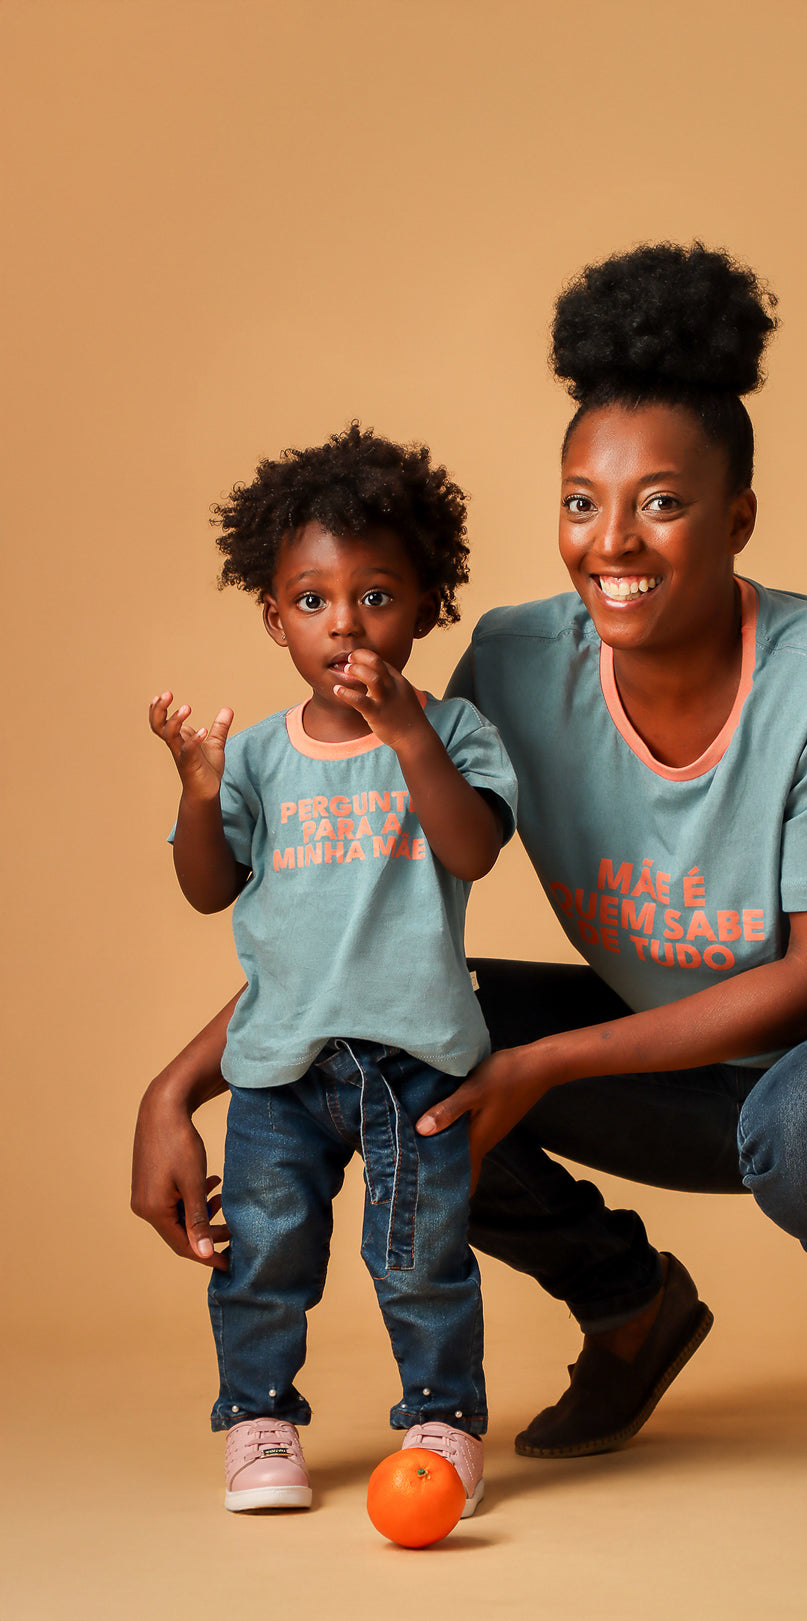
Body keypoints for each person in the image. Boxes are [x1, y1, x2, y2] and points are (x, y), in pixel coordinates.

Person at [134, 245, 807, 1483]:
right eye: (578, 502)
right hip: (675, 1058)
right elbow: (355, 934)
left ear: (737, 518)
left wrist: (547, 1062)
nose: (612, 541)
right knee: (402, 1056)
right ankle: (631, 1307)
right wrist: (176, 1089)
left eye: (660, 503)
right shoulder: (512, 668)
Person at [147, 424, 517, 1515]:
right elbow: (209, 887)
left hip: (418, 1063)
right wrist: (198, 790)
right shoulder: (260, 756)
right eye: (313, 600)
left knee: (421, 1258)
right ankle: (258, 1419)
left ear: (427, 607)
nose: (344, 623)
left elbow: (473, 850)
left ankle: (444, 1420)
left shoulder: (454, 732)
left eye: (376, 596)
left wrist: (409, 738)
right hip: (279, 1069)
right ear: (275, 617)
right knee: (264, 1254)